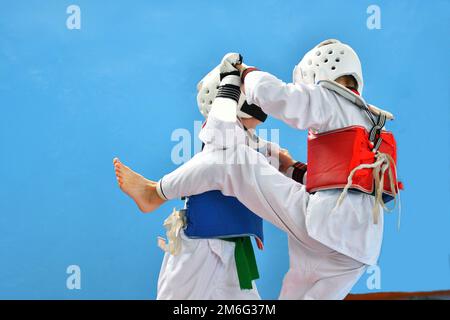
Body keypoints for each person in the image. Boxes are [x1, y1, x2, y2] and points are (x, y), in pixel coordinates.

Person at [114, 40, 401, 299]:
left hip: (319, 227)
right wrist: (291, 168)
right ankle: (153, 192)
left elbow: (274, 97)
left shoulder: (330, 99)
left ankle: (155, 192)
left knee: (232, 163)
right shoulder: (369, 120)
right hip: (358, 246)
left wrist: (243, 73)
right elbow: (347, 180)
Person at [114, 55, 306, 299]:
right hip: (200, 245)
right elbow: (222, 129)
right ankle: (154, 192)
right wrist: (230, 81)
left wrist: (291, 167)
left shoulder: (251, 144)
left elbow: (275, 174)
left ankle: (156, 192)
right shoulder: (222, 136)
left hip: (234, 245)